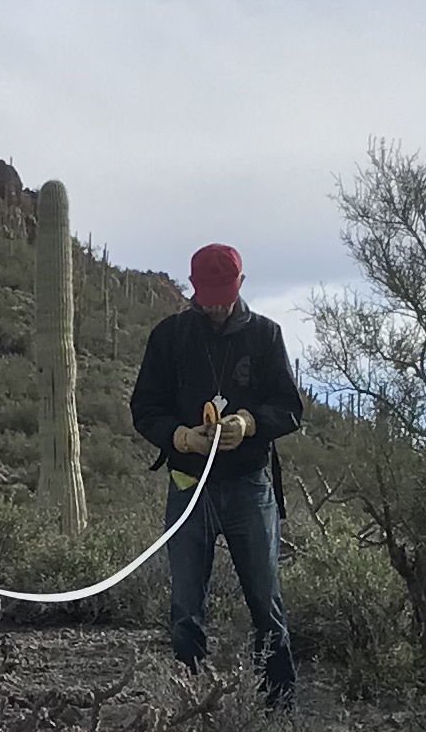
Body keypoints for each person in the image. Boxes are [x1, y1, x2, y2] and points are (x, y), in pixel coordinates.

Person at [125, 241, 307, 705]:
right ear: (194, 289)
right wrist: (181, 437)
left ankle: (279, 709)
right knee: (186, 607)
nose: (217, 306)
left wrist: (248, 424)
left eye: (224, 296)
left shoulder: (265, 336)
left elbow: (289, 407)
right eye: (209, 298)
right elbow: (145, 408)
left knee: (266, 602)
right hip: (189, 485)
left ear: (240, 285)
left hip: (249, 486)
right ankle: (193, 708)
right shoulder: (170, 337)